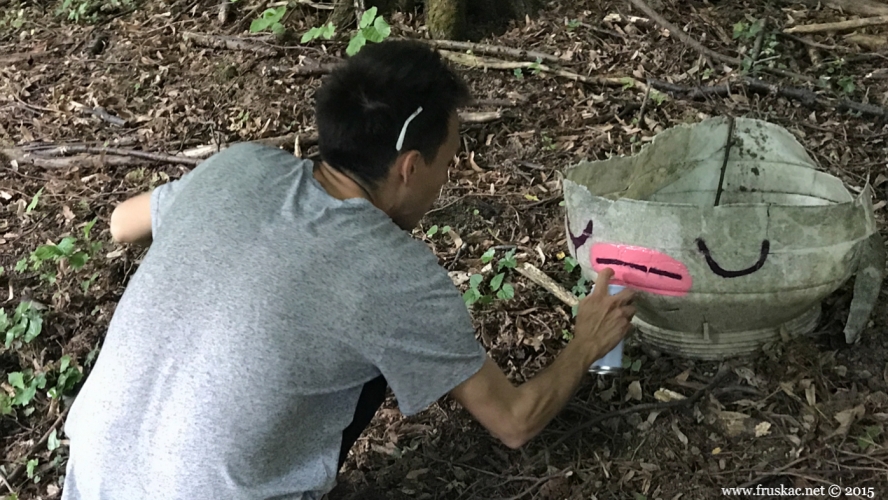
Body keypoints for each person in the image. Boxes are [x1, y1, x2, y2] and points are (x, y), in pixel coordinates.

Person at [61, 39, 635, 500]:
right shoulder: (394, 274)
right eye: (449, 159)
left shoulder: (237, 166)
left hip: (91, 476)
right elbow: (514, 421)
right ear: (410, 166)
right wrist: (584, 343)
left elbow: (119, 222)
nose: (448, 177)